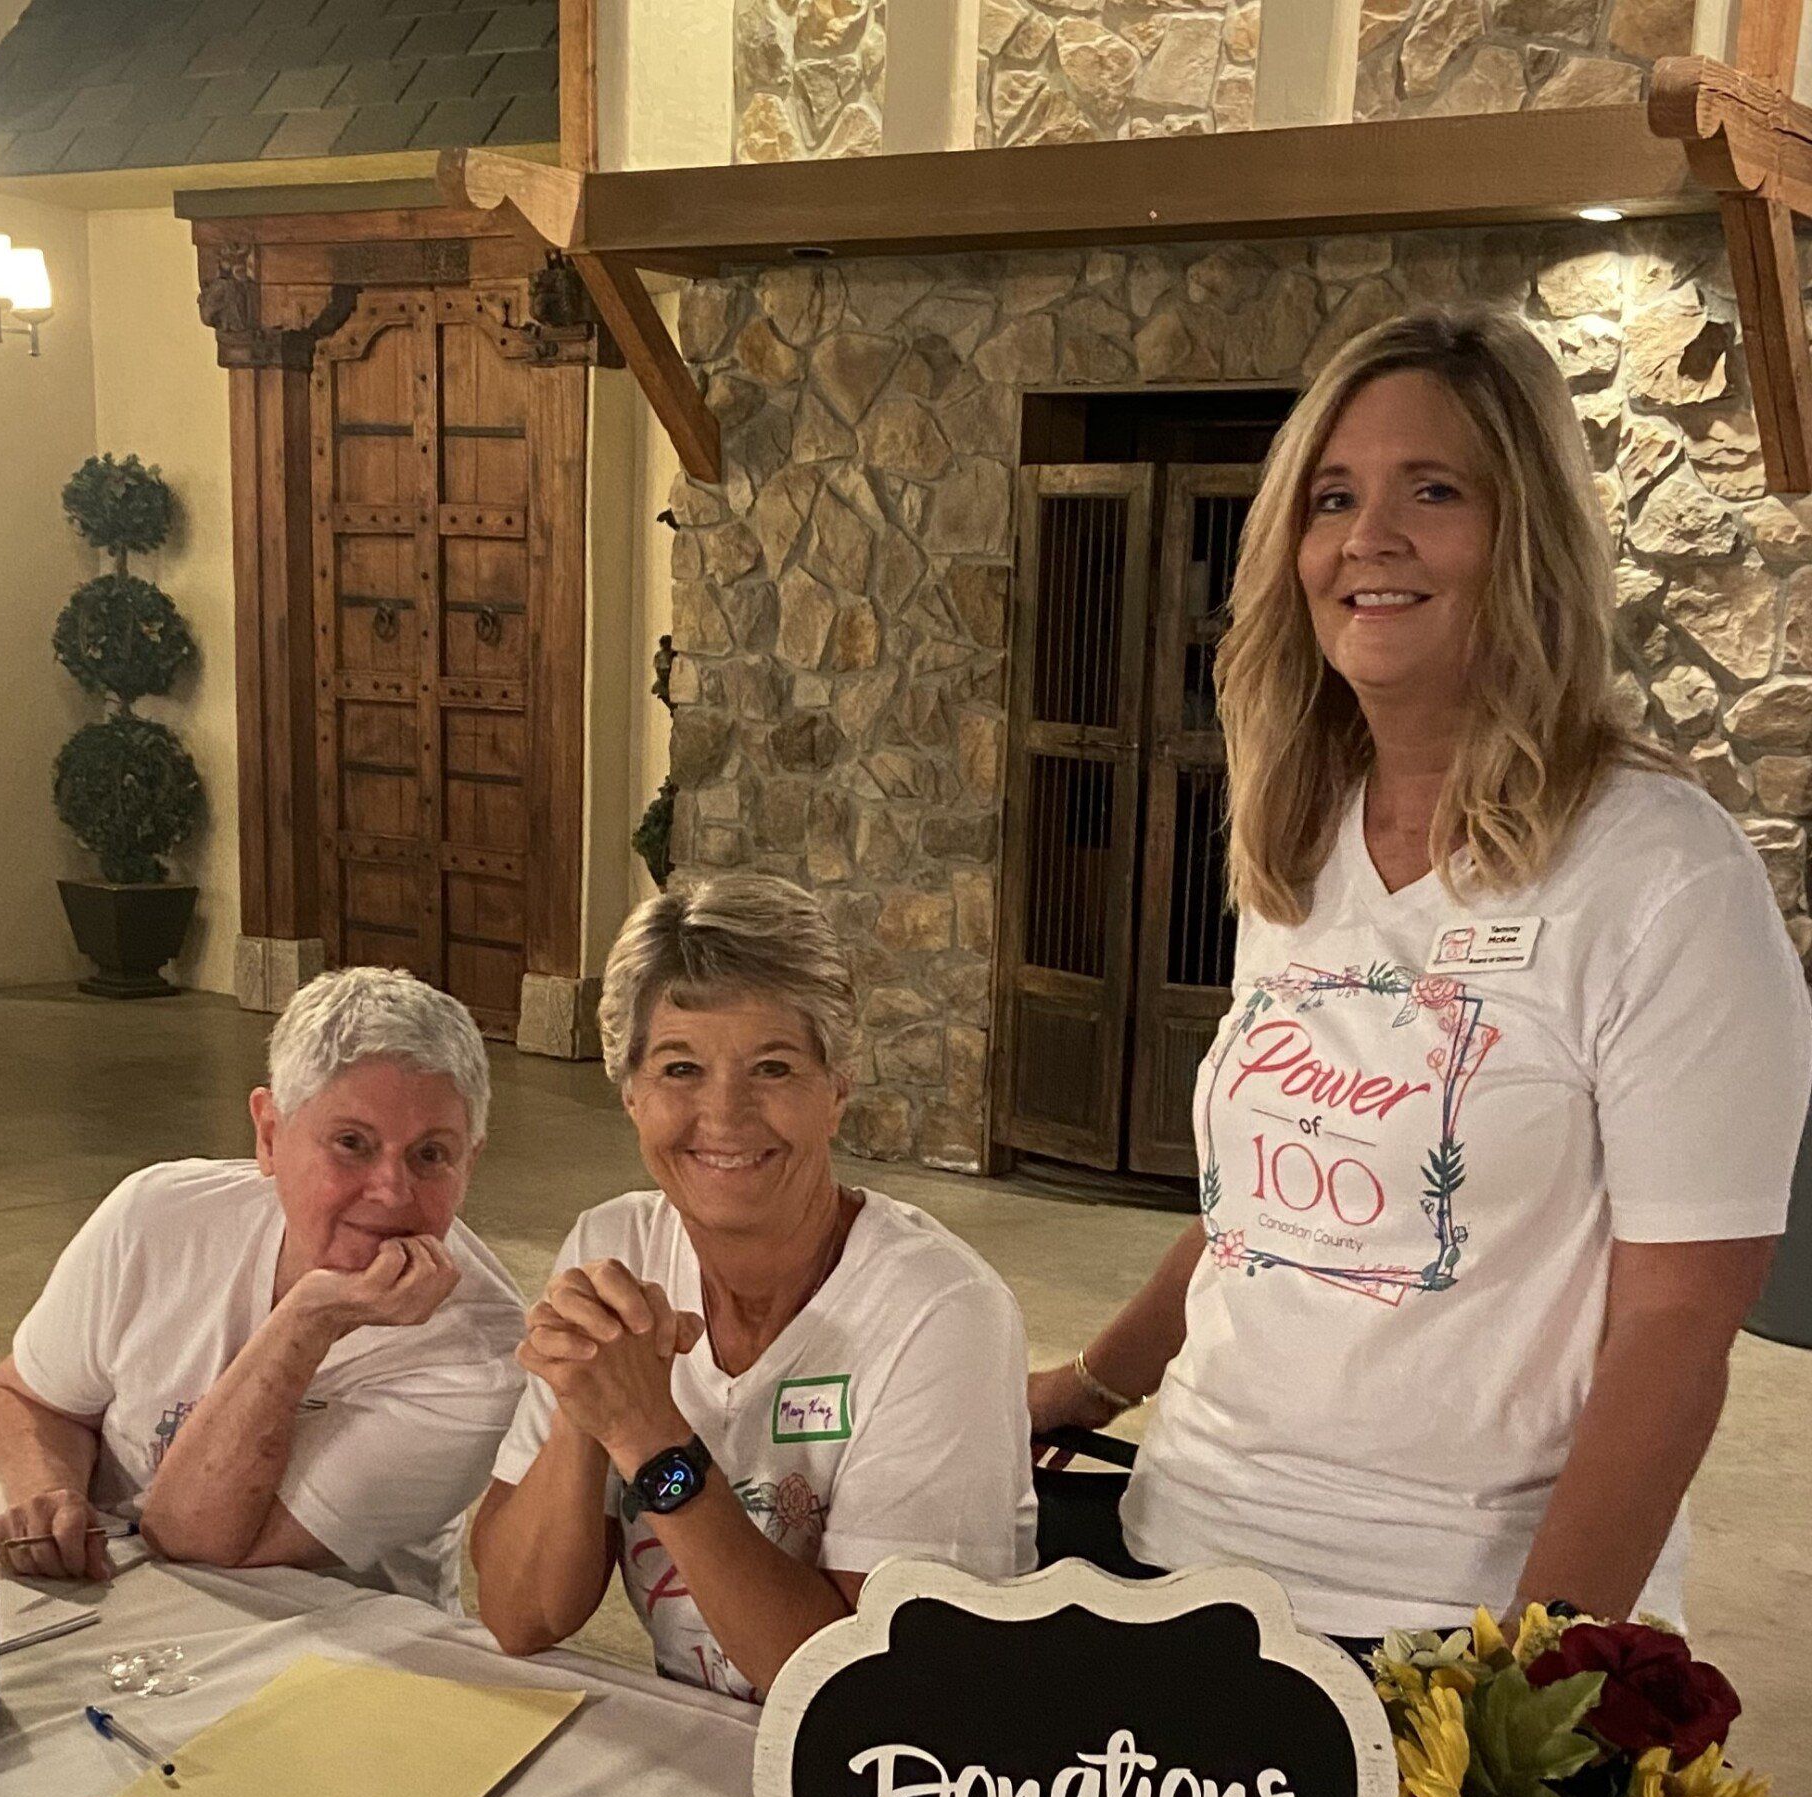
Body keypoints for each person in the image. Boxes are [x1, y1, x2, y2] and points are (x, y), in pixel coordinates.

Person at [1032, 306, 1812, 1642]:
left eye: (1433, 491)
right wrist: (1096, 1385)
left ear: (1528, 538)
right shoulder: (1303, 831)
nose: (1367, 540)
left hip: (1445, 1615)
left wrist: (1535, 1662)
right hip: (1189, 1551)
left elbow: (1679, 1330)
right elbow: (1262, 1216)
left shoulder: (1660, 874)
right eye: (1333, 497)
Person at [473, 874, 1037, 1701]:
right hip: (711, 1754)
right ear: (628, 1091)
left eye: (772, 1068)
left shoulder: (942, 1312)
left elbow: (871, 1691)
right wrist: (584, 1408)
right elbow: (518, 1616)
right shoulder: (614, 1248)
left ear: (837, 1090)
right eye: (680, 1068)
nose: (726, 1115)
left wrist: (650, 1435)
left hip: (901, 1785)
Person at [0, 966, 526, 1611]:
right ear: (269, 1134)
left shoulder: (478, 1359)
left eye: (431, 1154)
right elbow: (33, 1397)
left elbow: (195, 1540)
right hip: (104, 1608)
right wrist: (48, 1496)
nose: (392, 1190)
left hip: (333, 1655)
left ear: (472, 1160)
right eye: (352, 1143)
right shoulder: (157, 1216)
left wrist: (309, 1317)